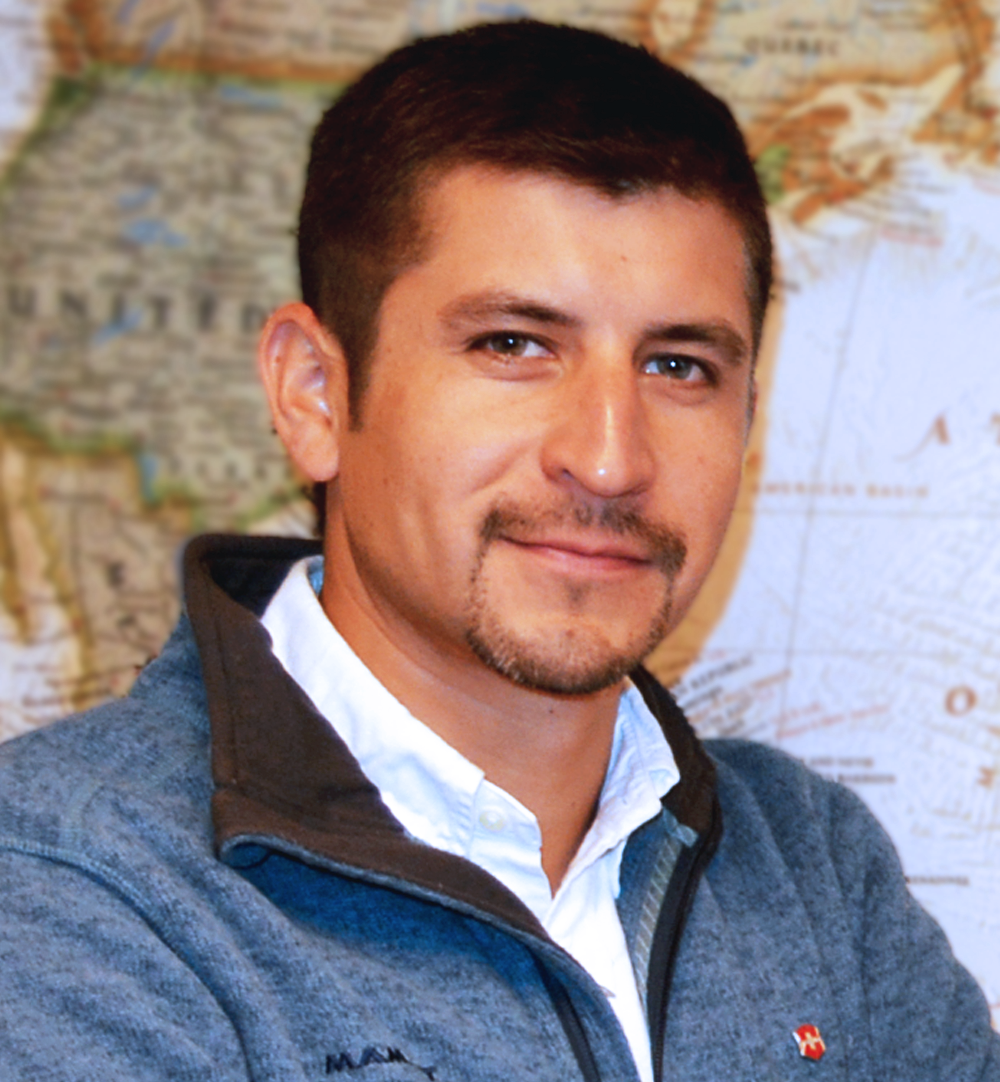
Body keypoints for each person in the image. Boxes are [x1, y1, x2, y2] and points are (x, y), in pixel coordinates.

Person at [0, 20, 996, 1082]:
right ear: (315, 395)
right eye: (513, 345)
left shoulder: (810, 867)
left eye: (678, 365)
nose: (608, 460)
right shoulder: (71, 885)